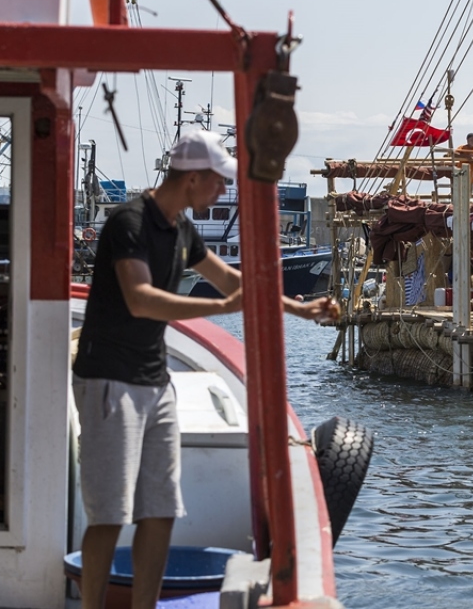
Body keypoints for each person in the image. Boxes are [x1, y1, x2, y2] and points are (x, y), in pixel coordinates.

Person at [71, 131, 337, 609]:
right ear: (193, 178)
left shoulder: (181, 229)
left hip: (155, 380)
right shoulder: (128, 221)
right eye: (218, 183)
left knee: (160, 512)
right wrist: (221, 309)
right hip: (109, 379)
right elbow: (140, 298)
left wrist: (298, 309)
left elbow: (231, 281)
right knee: (109, 515)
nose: (222, 192)